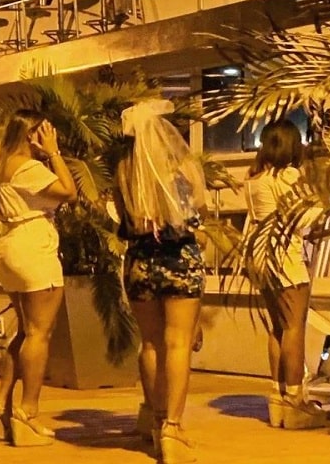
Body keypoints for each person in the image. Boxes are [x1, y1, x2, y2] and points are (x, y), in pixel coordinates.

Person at [114, 99, 207, 464]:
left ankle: (155, 420)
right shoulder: (180, 169)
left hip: (139, 261)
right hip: (178, 258)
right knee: (178, 342)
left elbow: (124, 220)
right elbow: (196, 210)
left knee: (150, 343)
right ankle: (173, 427)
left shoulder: (124, 171)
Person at [0, 110, 77, 447]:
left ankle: (0, 407)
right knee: (39, 333)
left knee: (24, 331)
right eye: (43, 131)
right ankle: (28, 413)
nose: (48, 136)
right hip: (32, 245)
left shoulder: (0, 164)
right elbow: (68, 191)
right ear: (31, 133)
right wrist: (53, 152)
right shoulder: (28, 166)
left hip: (7, 245)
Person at [243, 120, 325, 430]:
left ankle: (277, 396)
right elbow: (305, 218)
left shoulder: (254, 179)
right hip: (287, 259)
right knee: (294, 328)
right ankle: (295, 400)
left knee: (277, 328)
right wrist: (325, 202)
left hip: (262, 259)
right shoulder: (289, 177)